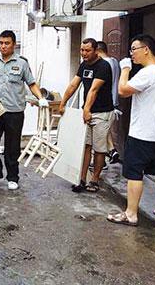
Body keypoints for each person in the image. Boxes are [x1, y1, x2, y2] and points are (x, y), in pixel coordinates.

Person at [107, 34, 155, 226]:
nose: (132, 54)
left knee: (134, 172)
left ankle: (131, 213)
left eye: (134, 49)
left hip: (142, 133)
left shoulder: (148, 73)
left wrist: (125, 68)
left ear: (146, 49)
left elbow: (123, 90)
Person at [0, 30, 49, 191]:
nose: (3, 46)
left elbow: (31, 83)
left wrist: (40, 98)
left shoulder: (22, 63)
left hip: (15, 111)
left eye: (7, 43)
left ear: (14, 45)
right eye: (1, 43)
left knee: (12, 146)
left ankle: (12, 177)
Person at [58, 38, 114, 193]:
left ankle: (95, 180)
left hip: (102, 113)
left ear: (95, 50)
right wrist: (63, 103)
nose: (84, 53)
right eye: (82, 50)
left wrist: (87, 109)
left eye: (87, 50)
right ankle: (81, 179)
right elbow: (73, 85)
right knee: (86, 146)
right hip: (87, 112)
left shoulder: (103, 66)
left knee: (99, 148)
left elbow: (94, 90)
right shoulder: (83, 65)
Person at [96, 41, 121, 164]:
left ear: (98, 51)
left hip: (107, 102)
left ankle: (103, 160)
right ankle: (112, 151)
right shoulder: (115, 62)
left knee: (99, 132)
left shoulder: (104, 64)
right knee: (105, 130)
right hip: (114, 100)